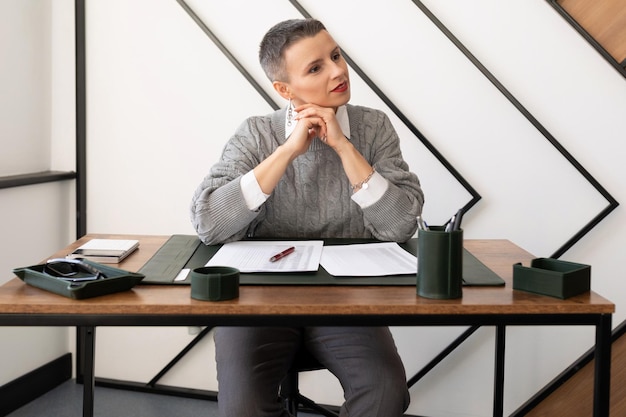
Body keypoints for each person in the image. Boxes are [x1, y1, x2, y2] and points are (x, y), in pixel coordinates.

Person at [190, 18, 424, 417]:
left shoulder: (374, 127)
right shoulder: (256, 134)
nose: (338, 71)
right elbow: (209, 222)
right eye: (315, 68)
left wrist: (344, 148)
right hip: (257, 301)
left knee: (386, 394)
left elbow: (400, 223)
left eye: (335, 56)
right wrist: (286, 152)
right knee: (242, 409)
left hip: (347, 301)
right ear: (284, 89)